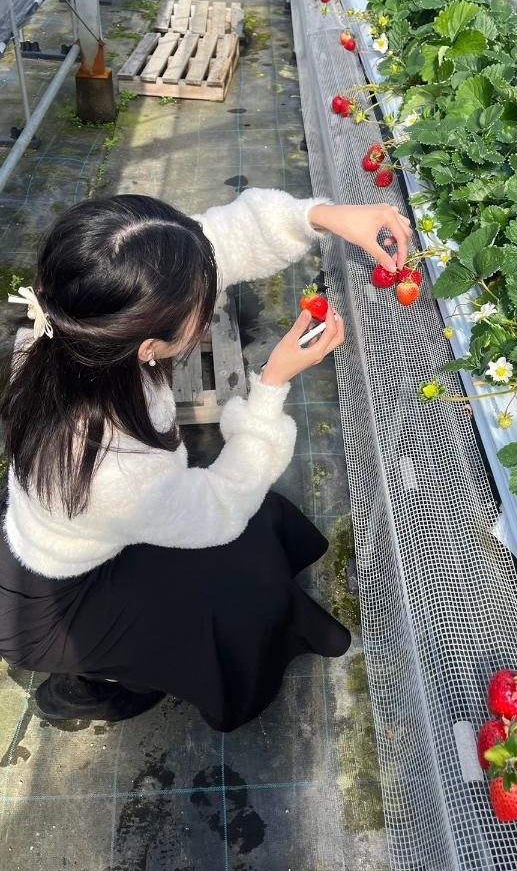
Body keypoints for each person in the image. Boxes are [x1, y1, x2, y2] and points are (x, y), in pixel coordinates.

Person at [0, 188, 411, 730]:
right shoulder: (109, 466)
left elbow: (211, 244)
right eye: (200, 309)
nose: (207, 308)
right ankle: (98, 685)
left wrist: (321, 216)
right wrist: (271, 384)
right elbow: (221, 507)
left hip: (59, 536)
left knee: (249, 545)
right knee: (231, 598)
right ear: (148, 345)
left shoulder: (74, 322)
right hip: (56, 606)